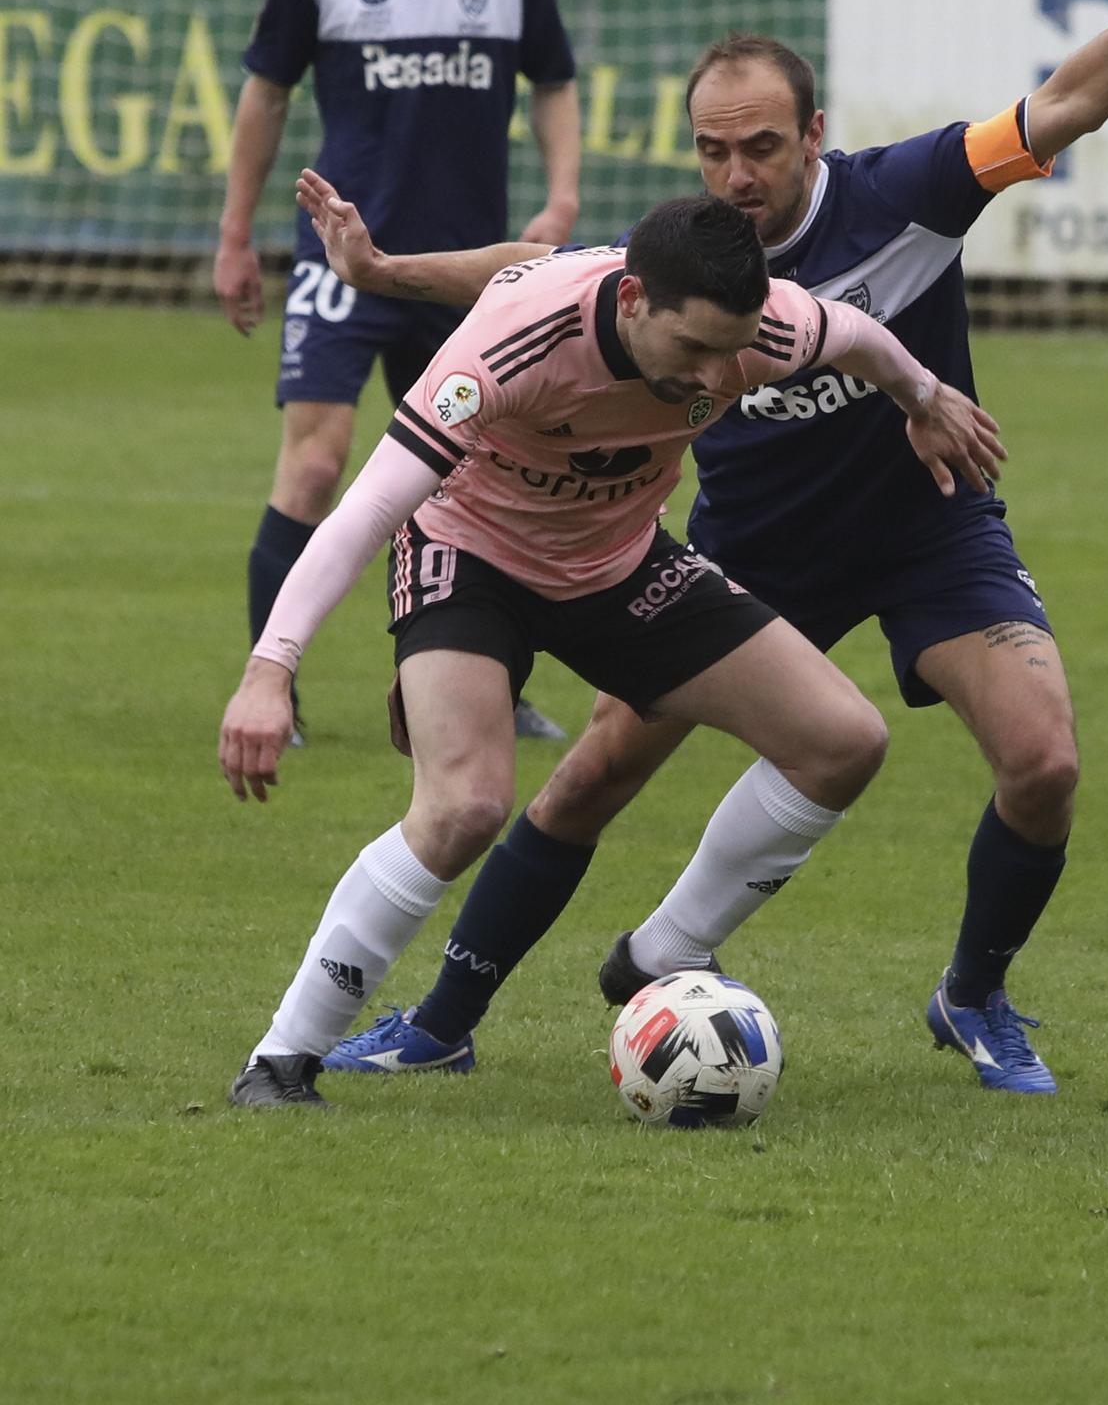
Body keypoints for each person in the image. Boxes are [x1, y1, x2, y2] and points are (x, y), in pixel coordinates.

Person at [306, 0, 1108, 1095]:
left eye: (757, 147)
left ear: (812, 135)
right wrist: (384, 269)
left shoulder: (910, 191)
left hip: (925, 529)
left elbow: (1062, 104)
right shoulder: (692, 253)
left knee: (1044, 758)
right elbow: (533, 269)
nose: (734, 175)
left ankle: (964, 993)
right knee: (590, 773)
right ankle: (441, 1016)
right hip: (743, 544)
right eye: (710, 151)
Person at [220, 196, 1006, 1106]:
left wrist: (923, 399)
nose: (721, 372)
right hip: (470, 557)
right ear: (631, 299)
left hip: (619, 564)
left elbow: (861, 337)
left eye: (734, 348)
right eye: (696, 350)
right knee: (466, 806)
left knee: (844, 740)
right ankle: (281, 1060)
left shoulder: (764, 329)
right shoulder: (511, 350)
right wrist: (270, 668)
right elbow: (365, 512)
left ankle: (664, 951)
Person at [212, 0, 579, 744]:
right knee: (317, 464)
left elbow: (552, 81)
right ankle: (271, 690)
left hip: (464, 272)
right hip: (342, 255)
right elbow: (266, 92)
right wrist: (236, 232)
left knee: (484, 473)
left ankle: (487, 687)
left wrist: (558, 200)